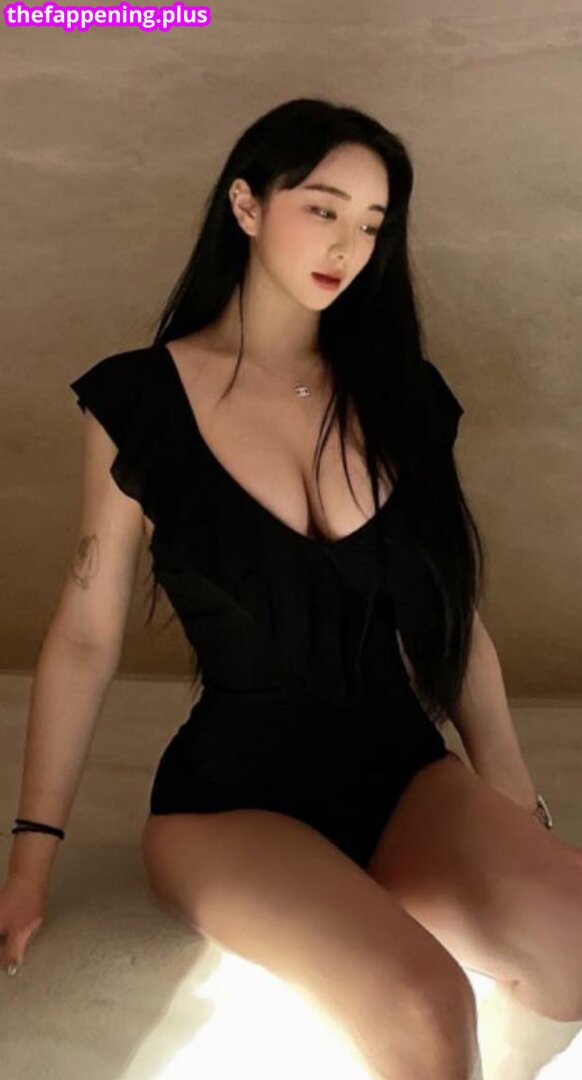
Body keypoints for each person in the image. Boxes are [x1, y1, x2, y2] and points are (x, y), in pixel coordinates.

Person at [2, 97, 579, 1080]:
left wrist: (512, 809)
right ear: (246, 205)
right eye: (322, 208)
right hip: (230, 804)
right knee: (428, 1004)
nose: (347, 245)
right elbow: (87, 635)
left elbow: (456, 621)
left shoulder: (404, 398)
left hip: (403, 773)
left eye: (372, 224)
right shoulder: (138, 400)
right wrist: (30, 864)